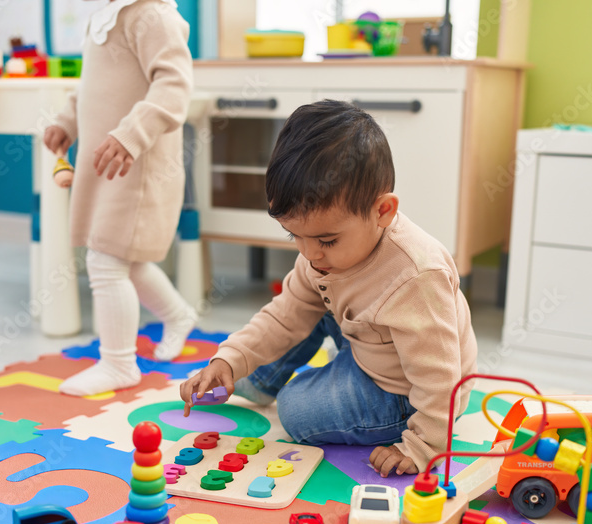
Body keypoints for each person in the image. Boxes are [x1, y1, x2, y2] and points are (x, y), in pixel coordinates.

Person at [180, 100, 478, 476]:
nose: (309, 253)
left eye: (326, 240)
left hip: (404, 393)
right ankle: (258, 379)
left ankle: (290, 384)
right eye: (294, 235)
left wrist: (423, 446)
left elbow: (439, 377)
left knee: (294, 409)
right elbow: (285, 315)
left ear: (382, 211)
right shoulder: (323, 256)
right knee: (306, 306)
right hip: (371, 342)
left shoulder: (416, 276)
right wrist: (231, 359)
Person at [45, 0, 197, 396]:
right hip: (110, 163)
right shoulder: (104, 19)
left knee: (106, 258)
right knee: (122, 257)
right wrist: (67, 121)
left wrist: (132, 134)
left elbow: (175, 84)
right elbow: (92, 87)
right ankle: (177, 314)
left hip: (139, 165)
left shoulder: (152, 16)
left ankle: (118, 364)